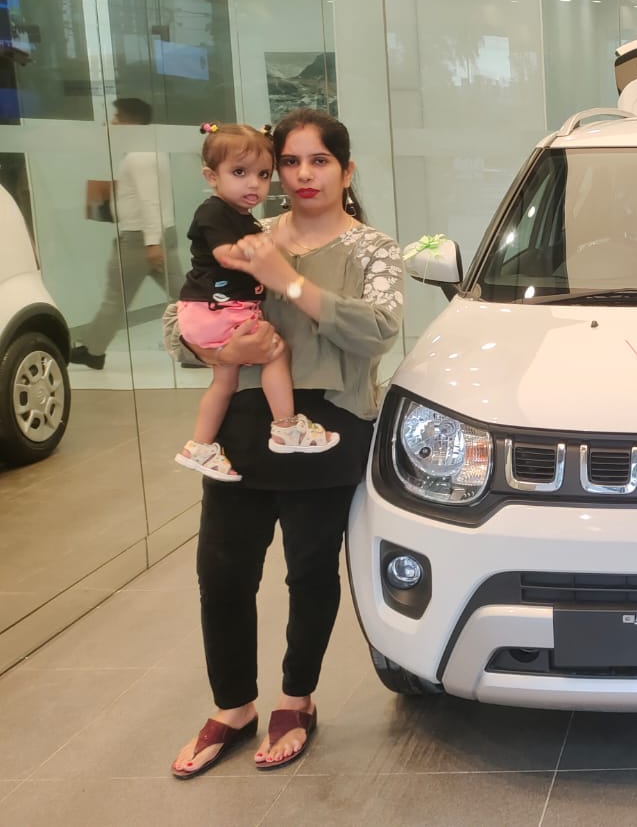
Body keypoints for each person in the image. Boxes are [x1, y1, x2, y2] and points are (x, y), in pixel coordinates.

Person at [167, 109, 403, 778]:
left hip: (329, 426)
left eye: (318, 160)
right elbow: (182, 317)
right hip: (244, 422)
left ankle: (296, 700)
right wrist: (217, 350)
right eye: (290, 162)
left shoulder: (372, 248)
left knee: (309, 571)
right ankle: (233, 705)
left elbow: (377, 330)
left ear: (345, 171)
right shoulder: (244, 231)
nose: (302, 174)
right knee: (222, 572)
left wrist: (288, 280)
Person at [172, 123, 340, 481]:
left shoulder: (243, 218)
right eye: (239, 173)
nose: (254, 184)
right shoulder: (214, 212)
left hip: (206, 310)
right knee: (276, 350)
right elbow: (226, 255)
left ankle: (199, 446)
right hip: (217, 308)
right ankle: (286, 426)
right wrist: (266, 257)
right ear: (211, 176)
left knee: (224, 383)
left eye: (263, 175)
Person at [71, 97, 181, 369]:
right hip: (157, 235)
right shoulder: (152, 151)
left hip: (139, 241)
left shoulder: (138, 157)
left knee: (115, 300)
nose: (113, 123)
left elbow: (149, 201)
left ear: (132, 122)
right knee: (185, 295)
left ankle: (93, 351)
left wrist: (151, 243)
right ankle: (206, 342)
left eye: (118, 118)